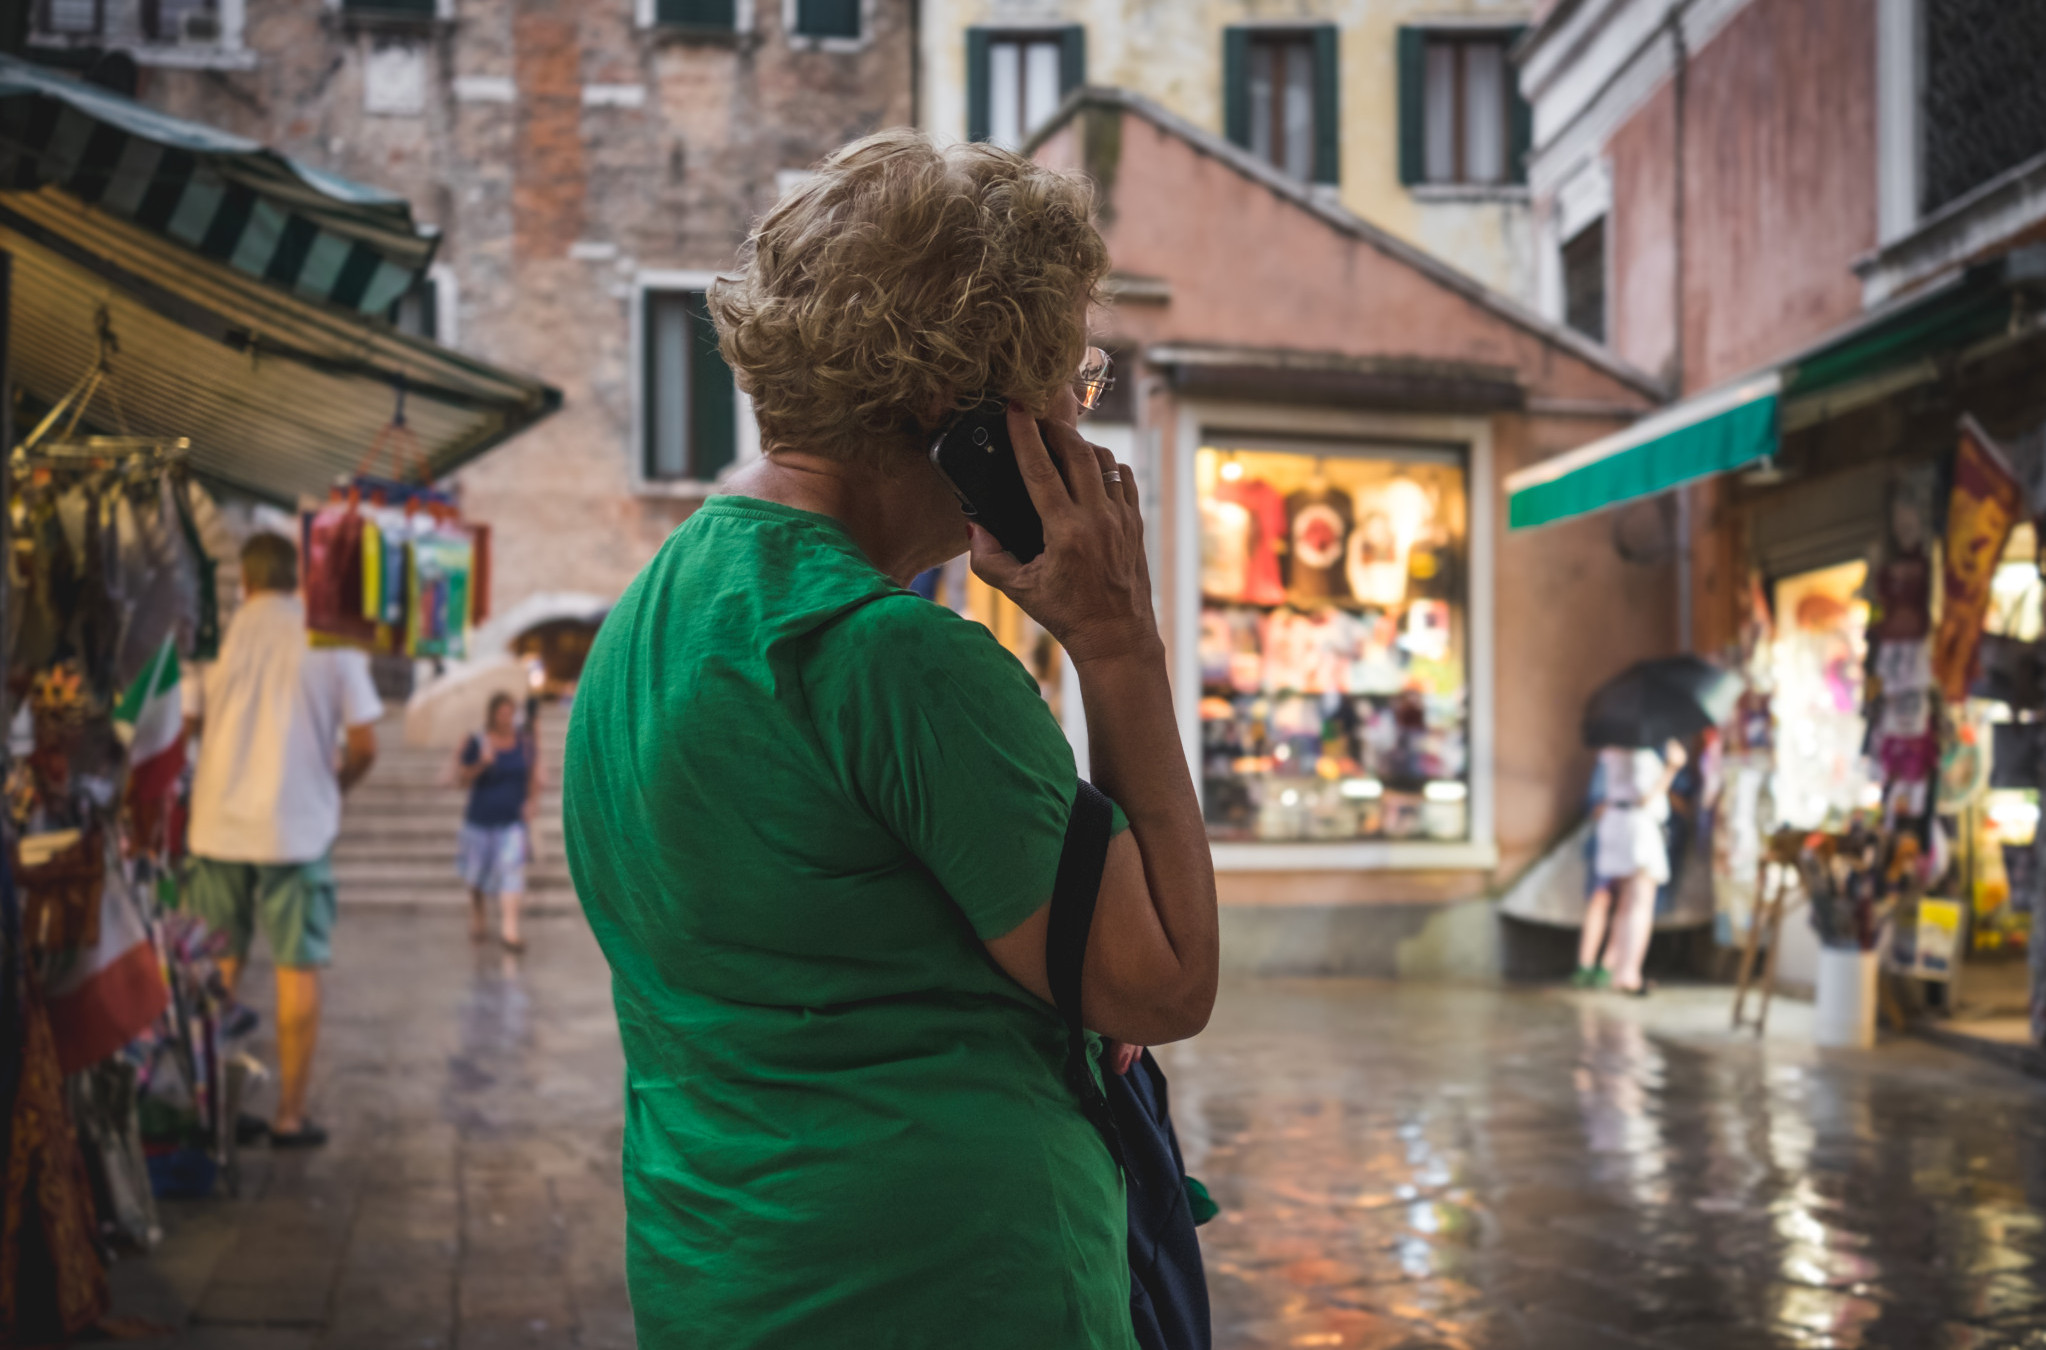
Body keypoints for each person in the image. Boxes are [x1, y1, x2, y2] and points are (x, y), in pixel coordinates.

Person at [563, 129, 1219, 1349]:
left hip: (725, 1274)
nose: (1075, 423)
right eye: (1064, 385)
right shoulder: (893, 657)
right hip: (954, 1286)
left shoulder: (650, 617)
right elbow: (1168, 978)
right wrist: (1122, 647)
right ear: (958, 405)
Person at [183, 532, 381, 1147]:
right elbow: (366, 744)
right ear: (295, 579)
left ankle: (214, 1107)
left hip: (218, 827)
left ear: (243, 580)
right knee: (299, 968)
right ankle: (290, 1115)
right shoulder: (329, 638)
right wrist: (333, 786)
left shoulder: (213, 640)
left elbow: (189, 723)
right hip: (298, 828)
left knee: (219, 969)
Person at [1577, 738, 1685, 996]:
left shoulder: (1610, 751)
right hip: (1638, 829)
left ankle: (1617, 968)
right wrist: (1672, 768)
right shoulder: (1643, 755)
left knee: (1624, 903)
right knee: (1639, 903)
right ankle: (1629, 973)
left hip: (1614, 825)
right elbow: (1646, 797)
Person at [453, 691, 539, 951]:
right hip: (479, 819)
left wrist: (531, 801)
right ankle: (478, 912)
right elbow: (462, 779)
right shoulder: (478, 742)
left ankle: (509, 930)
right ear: (492, 714)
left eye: (510, 713)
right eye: (501, 713)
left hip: (512, 821)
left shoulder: (524, 742)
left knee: (512, 871)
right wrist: (482, 763)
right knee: (476, 875)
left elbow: (531, 775)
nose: (506, 718)